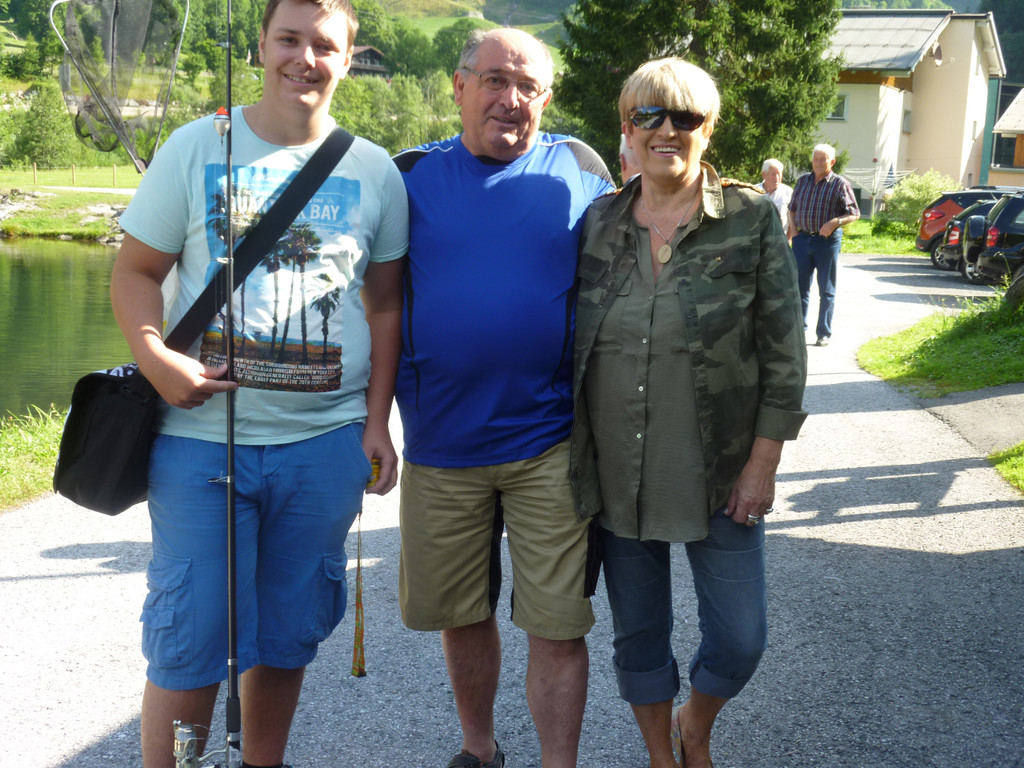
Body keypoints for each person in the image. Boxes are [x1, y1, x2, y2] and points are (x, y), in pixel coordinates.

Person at [109, 0, 408, 765]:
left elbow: (385, 306)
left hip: (325, 446)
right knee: (189, 641)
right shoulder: (195, 146)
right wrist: (156, 357)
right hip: (201, 444)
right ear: (262, 47)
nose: (305, 58)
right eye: (288, 39)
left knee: (285, 634)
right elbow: (136, 272)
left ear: (348, 59)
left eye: (324, 45)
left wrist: (377, 421)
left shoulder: (374, 169)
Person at [571, 58, 807, 768]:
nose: (666, 131)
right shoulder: (599, 221)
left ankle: (693, 723)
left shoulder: (750, 218)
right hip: (618, 473)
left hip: (720, 470)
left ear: (709, 129)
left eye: (686, 117)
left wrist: (763, 465)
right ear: (627, 128)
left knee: (740, 638)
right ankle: (662, 755)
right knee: (638, 634)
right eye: (648, 116)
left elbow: (784, 353)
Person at [392, 27, 615, 768]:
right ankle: (479, 750)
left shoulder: (580, 174)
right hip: (440, 445)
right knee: (461, 612)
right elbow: (371, 303)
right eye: (494, 80)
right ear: (459, 87)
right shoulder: (408, 176)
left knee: (558, 623)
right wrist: (366, 421)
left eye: (528, 86)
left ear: (546, 98)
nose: (510, 99)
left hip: (550, 442)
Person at [786, 143, 860, 346]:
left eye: (823, 159)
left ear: (832, 161)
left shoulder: (839, 184)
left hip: (826, 243)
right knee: (800, 288)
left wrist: (835, 222)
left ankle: (823, 333)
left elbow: (854, 213)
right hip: (802, 240)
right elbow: (791, 210)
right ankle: (799, 330)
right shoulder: (803, 181)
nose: (818, 163)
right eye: (816, 159)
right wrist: (794, 232)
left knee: (826, 290)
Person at [755, 157, 792, 238]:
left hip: (779, 238)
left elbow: (793, 218)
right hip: (757, 238)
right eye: (773, 174)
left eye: (779, 174)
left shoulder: (788, 192)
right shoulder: (754, 191)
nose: (777, 178)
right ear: (764, 175)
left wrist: (788, 239)